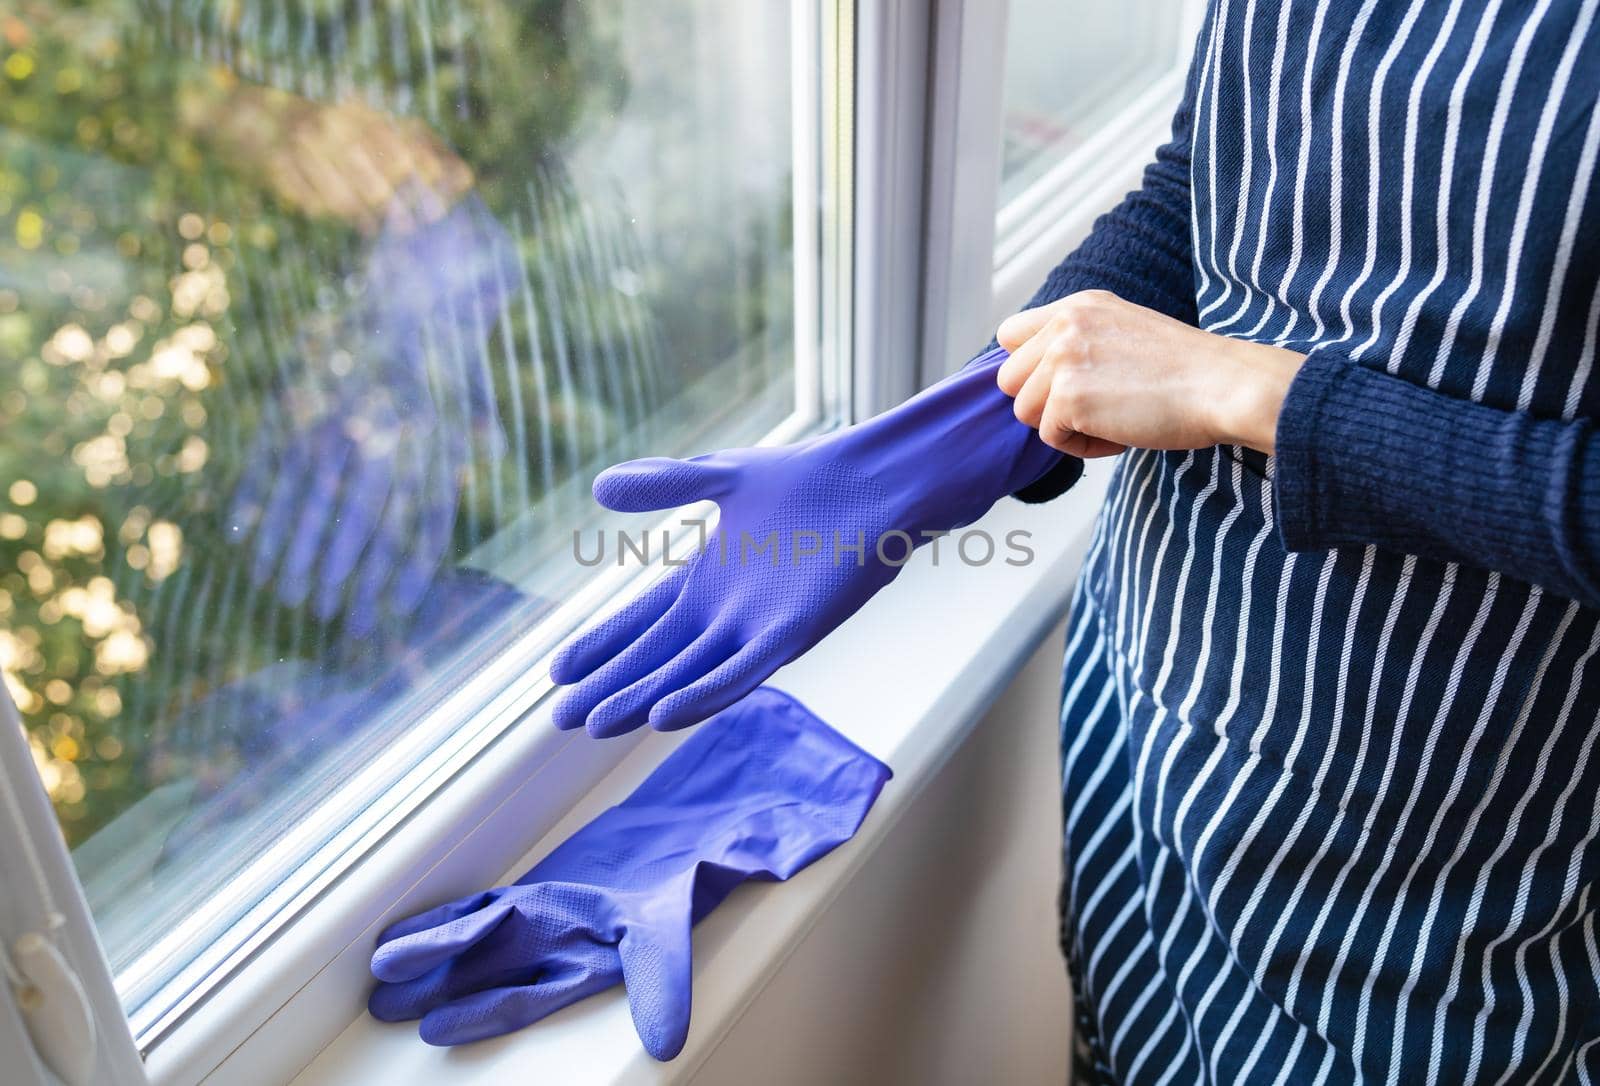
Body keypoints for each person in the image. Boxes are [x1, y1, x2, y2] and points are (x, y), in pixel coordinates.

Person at [989, 0, 1600, 1081]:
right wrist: (954, 441)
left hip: (1435, 880)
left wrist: (1255, 392)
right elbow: (1209, 171)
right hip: (1139, 738)